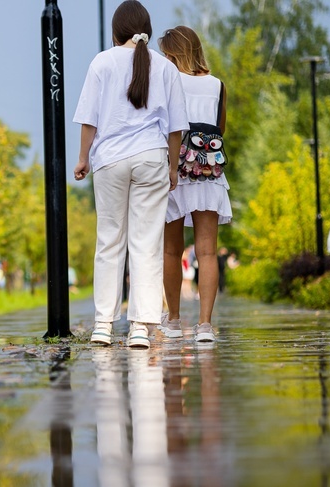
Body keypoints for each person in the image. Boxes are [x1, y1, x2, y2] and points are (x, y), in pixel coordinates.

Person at [74, 0, 188, 349]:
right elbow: (176, 127)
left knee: (109, 241)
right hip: (151, 157)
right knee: (146, 244)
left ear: (116, 31)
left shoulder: (101, 62)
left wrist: (83, 159)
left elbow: (90, 118)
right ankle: (141, 325)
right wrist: (172, 166)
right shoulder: (165, 68)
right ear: (147, 30)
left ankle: (104, 325)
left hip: (110, 159)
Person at [158, 25, 231, 343]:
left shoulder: (168, 80)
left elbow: (163, 124)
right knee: (207, 252)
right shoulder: (218, 85)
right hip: (209, 173)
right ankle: (204, 325)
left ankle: (173, 321)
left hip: (175, 171)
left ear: (174, 53)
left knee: (171, 251)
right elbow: (221, 129)